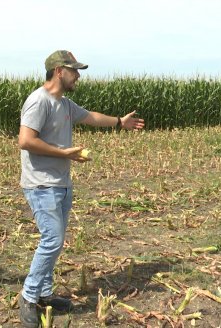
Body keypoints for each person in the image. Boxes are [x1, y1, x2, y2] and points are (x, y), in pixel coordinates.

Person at [17, 50, 144, 327]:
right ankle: (28, 296)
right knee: (51, 241)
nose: (78, 76)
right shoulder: (39, 101)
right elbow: (26, 141)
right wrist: (65, 153)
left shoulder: (65, 104)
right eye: (74, 70)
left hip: (61, 183)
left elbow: (91, 117)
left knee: (56, 241)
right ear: (59, 71)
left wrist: (119, 122)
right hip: (41, 184)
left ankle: (45, 294)